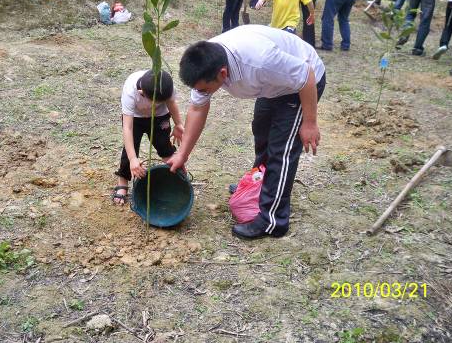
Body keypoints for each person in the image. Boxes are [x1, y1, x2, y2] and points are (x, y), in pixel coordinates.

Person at [167, 25, 326, 239]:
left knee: (282, 149)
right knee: (261, 132)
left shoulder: (260, 60)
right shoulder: (206, 62)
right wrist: (182, 154)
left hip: (302, 84)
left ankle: (272, 220)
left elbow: (306, 75)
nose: (200, 93)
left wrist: (309, 122)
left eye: (203, 89)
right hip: (274, 84)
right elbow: (197, 108)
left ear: (222, 73)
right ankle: (257, 188)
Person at [112, 70, 184, 204]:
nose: (154, 104)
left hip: (160, 117)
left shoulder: (166, 85)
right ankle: (123, 179)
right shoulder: (130, 91)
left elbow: (171, 103)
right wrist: (133, 159)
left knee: (164, 144)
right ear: (142, 93)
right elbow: (127, 128)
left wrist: (178, 124)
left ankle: (176, 173)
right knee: (130, 147)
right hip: (136, 119)